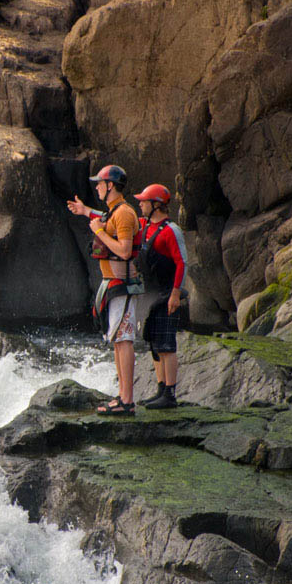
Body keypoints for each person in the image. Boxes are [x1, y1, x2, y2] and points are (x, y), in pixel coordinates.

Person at [66, 164, 140, 416]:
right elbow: (105, 219)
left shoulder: (125, 213)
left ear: (110, 186)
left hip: (124, 286)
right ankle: (122, 396)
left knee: (124, 339)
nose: (96, 186)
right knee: (117, 340)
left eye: (99, 183)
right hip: (113, 285)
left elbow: (124, 251)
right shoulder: (115, 211)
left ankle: (127, 401)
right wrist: (86, 212)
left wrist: (97, 230)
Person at [132, 183, 187, 409]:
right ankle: (160, 388)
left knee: (167, 345)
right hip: (151, 295)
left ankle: (170, 394)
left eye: (143, 201)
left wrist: (175, 294)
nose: (140, 204)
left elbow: (181, 263)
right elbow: (121, 221)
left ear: (156, 205)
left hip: (167, 295)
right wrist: (87, 212)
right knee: (154, 344)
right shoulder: (144, 225)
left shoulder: (171, 230)